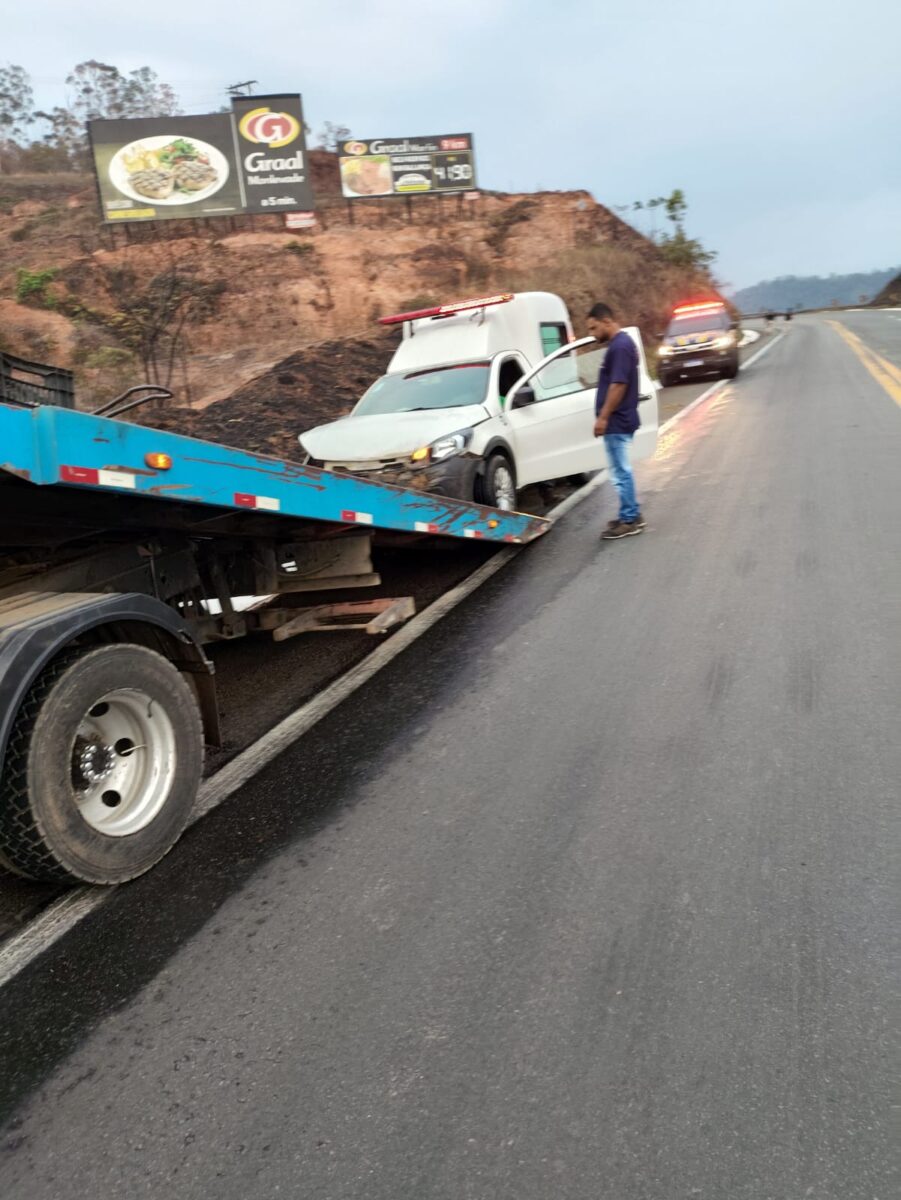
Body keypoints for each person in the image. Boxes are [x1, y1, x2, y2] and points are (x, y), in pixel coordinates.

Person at [586, 302, 644, 539]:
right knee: (620, 471)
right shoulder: (621, 344)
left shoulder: (619, 347)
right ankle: (629, 514)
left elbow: (619, 385)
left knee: (621, 471)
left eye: (593, 328)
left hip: (616, 420)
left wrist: (603, 417)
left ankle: (630, 520)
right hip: (618, 419)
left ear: (607, 321)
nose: (592, 334)